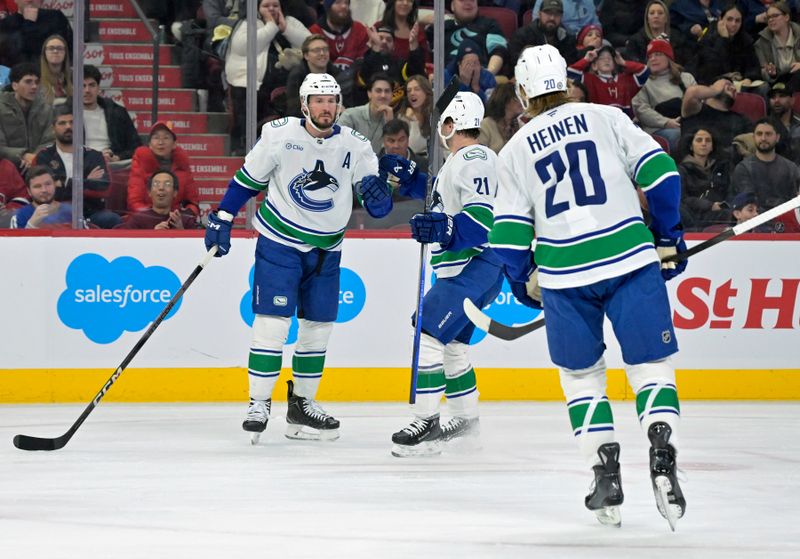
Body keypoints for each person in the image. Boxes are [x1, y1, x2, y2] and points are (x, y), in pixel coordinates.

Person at [490, 45, 687, 529]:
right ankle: (662, 451)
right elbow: (661, 174)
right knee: (649, 367)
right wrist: (669, 233)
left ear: (522, 92)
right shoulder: (604, 116)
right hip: (629, 259)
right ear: (566, 81)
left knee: (582, 378)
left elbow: (509, 236)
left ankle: (605, 472)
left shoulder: (514, 150)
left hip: (564, 275)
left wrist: (521, 281)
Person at [203, 73, 395, 443]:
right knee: (272, 324)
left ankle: (302, 406)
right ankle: (258, 403)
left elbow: (377, 203)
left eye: (332, 100)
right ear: (304, 105)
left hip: (327, 250)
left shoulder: (356, 145)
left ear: (340, 105)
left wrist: (379, 196)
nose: (326, 107)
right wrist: (223, 216)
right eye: (319, 100)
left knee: (317, 329)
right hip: (280, 243)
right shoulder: (279, 135)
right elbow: (248, 180)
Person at [380, 92, 504, 457]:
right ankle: (466, 423)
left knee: (428, 332)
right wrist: (415, 181)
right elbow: (443, 199)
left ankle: (426, 420)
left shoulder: (475, 158)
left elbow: (484, 219)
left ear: (450, 124)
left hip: (476, 265)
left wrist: (445, 230)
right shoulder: (459, 161)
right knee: (453, 347)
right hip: (467, 268)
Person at [225, 0, 310, 153]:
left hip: (287, 82)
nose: (271, 9)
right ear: (257, 8)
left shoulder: (291, 22)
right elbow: (245, 47)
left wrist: (286, 29)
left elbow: (311, 44)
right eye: (266, 6)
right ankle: (243, 146)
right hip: (251, 83)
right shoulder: (248, 23)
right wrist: (271, 26)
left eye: (275, 5)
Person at [33, 104, 120, 229]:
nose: (68, 126)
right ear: (53, 128)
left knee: (111, 219)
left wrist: (64, 183)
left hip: (90, 212)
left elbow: (104, 189)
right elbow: (44, 192)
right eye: (62, 123)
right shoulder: (43, 157)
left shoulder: (95, 156)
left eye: (72, 122)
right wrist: (86, 181)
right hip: (54, 212)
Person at [632, 38, 697, 152]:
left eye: (658, 54)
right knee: (679, 136)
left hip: (688, 123)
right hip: (658, 128)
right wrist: (667, 122)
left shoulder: (686, 78)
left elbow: (698, 102)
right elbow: (641, 109)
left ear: (669, 57)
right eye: (650, 56)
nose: (653, 59)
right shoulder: (642, 82)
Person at [128, 122, 199, 216]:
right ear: (149, 144)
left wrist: (185, 215)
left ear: (174, 144)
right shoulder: (141, 162)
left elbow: (193, 202)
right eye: (156, 138)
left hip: (175, 219)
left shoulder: (182, 165)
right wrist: (152, 217)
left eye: (166, 138)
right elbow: (135, 202)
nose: (160, 142)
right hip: (146, 219)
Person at [730, 117, 800, 211]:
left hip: (787, 219)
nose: (763, 138)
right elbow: (748, 203)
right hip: (755, 221)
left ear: (777, 137)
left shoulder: (791, 168)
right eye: (759, 134)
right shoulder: (743, 168)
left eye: (768, 134)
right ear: (753, 137)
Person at [686, 3, 761, 87]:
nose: (733, 24)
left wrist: (749, 78)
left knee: (763, 88)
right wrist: (723, 39)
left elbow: (753, 66)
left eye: (737, 21)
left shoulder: (745, 39)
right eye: (729, 19)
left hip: (740, 82)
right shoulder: (708, 38)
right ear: (720, 19)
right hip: (713, 84)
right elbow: (713, 68)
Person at [568, 45, 648, 119]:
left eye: (609, 58)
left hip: (624, 123)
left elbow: (645, 72)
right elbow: (570, 74)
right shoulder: (589, 79)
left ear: (614, 63)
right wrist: (586, 59)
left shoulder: (625, 79)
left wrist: (623, 62)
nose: (606, 60)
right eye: (602, 58)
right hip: (600, 122)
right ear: (594, 66)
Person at [0, 62, 53, 173]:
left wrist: (35, 157)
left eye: (37, 82)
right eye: (28, 82)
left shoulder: (46, 109)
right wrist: (23, 155)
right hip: (6, 168)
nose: (34, 86)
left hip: (40, 166)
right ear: (15, 85)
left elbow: (49, 141)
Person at [82, 65, 141, 163]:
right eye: (82, 86)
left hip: (111, 164)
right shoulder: (67, 114)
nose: (87, 90)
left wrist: (117, 157)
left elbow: (136, 147)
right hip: (79, 164)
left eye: (92, 85)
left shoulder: (117, 112)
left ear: (98, 88)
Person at [677, 127, 732, 230]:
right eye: (699, 140)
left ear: (712, 146)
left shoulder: (721, 168)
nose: (703, 143)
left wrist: (725, 205)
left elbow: (730, 191)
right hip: (693, 218)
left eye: (708, 140)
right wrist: (709, 205)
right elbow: (683, 199)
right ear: (691, 146)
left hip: (721, 214)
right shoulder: (682, 170)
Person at [681, 76, 753, 152]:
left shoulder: (741, 119)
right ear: (710, 87)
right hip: (694, 160)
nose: (734, 89)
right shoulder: (696, 110)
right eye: (728, 84)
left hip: (728, 160)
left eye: (734, 87)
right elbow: (692, 92)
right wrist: (715, 90)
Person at [116, 171, 200, 230]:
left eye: (167, 184)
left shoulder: (185, 220)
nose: (161, 188)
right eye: (156, 184)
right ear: (149, 192)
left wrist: (181, 231)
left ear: (175, 192)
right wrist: (154, 236)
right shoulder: (139, 219)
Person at [285, 33, 342, 117]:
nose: (322, 53)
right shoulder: (297, 76)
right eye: (317, 50)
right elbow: (293, 109)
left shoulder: (336, 73)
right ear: (306, 55)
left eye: (325, 49)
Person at [510, 0, 580, 66]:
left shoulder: (567, 38)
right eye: (548, 13)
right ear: (539, 14)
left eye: (557, 14)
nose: (552, 18)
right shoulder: (522, 36)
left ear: (561, 17)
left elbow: (570, 64)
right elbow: (514, 63)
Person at [338, 72, 395, 153]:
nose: (383, 95)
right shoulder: (350, 115)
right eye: (378, 91)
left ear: (392, 95)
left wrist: (390, 125)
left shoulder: (392, 120)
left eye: (387, 91)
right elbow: (335, 142)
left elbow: (395, 153)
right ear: (369, 94)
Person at [309, 0, 369, 72]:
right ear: (328, 7)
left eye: (346, 2)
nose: (344, 6)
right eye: (338, 2)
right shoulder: (314, 32)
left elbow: (364, 64)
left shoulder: (359, 29)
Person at [626, 0, 690, 65]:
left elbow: (688, 63)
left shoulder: (679, 38)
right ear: (647, 19)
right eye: (652, 13)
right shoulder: (635, 41)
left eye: (660, 13)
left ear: (666, 18)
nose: (656, 16)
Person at [10, 165, 76, 228]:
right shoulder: (19, 216)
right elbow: (15, 240)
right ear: (29, 191)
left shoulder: (72, 212)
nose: (44, 190)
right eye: (37, 186)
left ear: (55, 185)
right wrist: (31, 224)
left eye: (48, 184)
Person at [754, 2, 800, 88]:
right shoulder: (760, 44)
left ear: (786, 17)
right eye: (768, 17)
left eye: (775, 16)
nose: (771, 20)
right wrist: (770, 73)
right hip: (777, 84)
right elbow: (762, 71)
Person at [444, 38, 497, 104]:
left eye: (475, 63)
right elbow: (445, 105)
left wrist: (476, 88)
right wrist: (463, 84)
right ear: (459, 64)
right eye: (468, 64)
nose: (472, 67)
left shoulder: (488, 77)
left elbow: (490, 107)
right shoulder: (446, 76)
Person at [478, 82, 522, 153]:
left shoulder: (519, 125)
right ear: (505, 100)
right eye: (517, 98)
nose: (521, 102)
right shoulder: (485, 125)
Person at [397, 74, 432, 156]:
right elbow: (412, 147)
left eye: (417, 89)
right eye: (409, 91)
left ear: (426, 92)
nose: (412, 93)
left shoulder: (434, 113)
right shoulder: (403, 117)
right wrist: (412, 121)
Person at [530, 0, 600, 36]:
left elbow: (596, 24)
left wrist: (593, 34)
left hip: (589, 37)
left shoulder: (589, 1)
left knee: (605, 47)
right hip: (561, 38)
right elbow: (538, 22)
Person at [38, 34, 71, 105]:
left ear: (65, 53)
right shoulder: (36, 78)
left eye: (59, 48)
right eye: (51, 48)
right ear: (44, 53)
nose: (55, 51)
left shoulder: (75, 77)